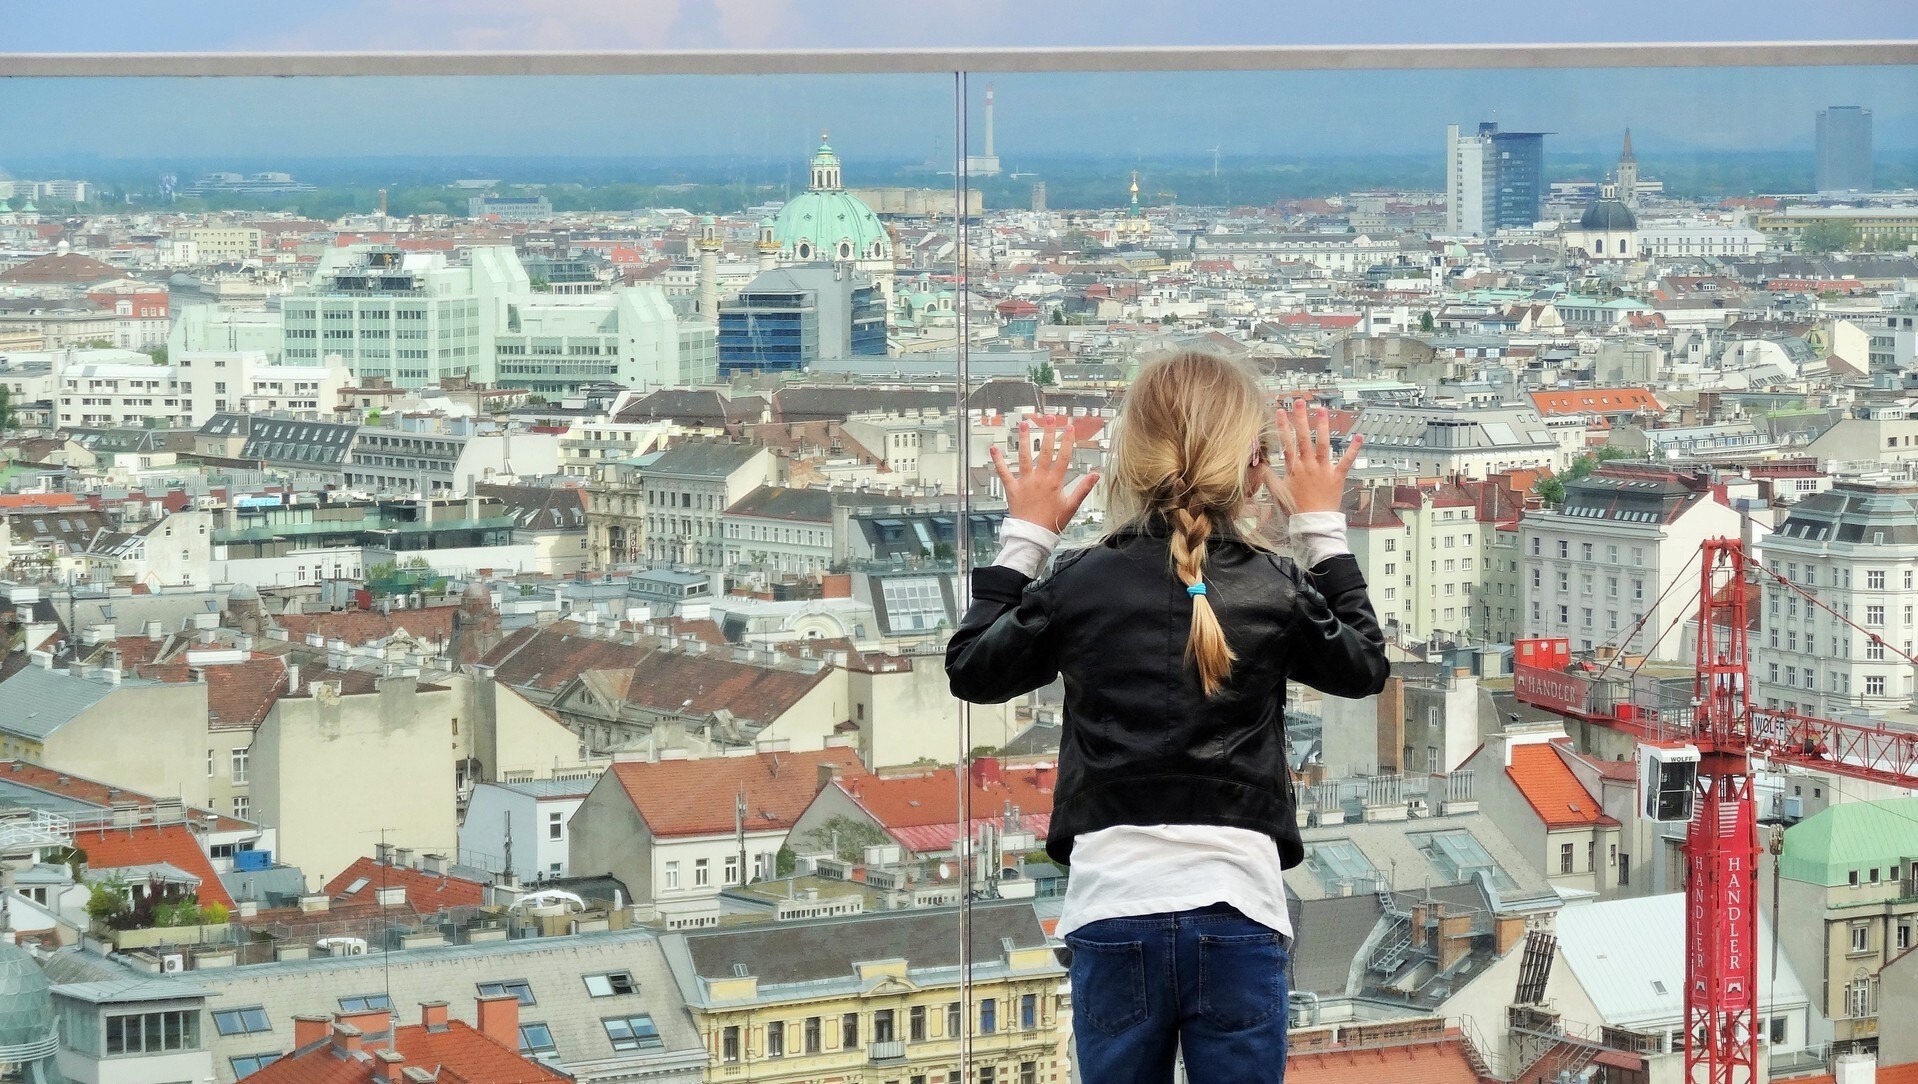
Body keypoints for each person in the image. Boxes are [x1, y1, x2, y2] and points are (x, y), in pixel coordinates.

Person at [946, 350, 1389, 1084]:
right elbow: (1364, 665)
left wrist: (1025, 537)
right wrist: (1320, 530)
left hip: (1114, 913)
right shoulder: (1275, 587)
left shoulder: (1081, 582)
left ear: (1131, 456)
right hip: (1237, 913)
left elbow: (973, 668)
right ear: (1252, 465)